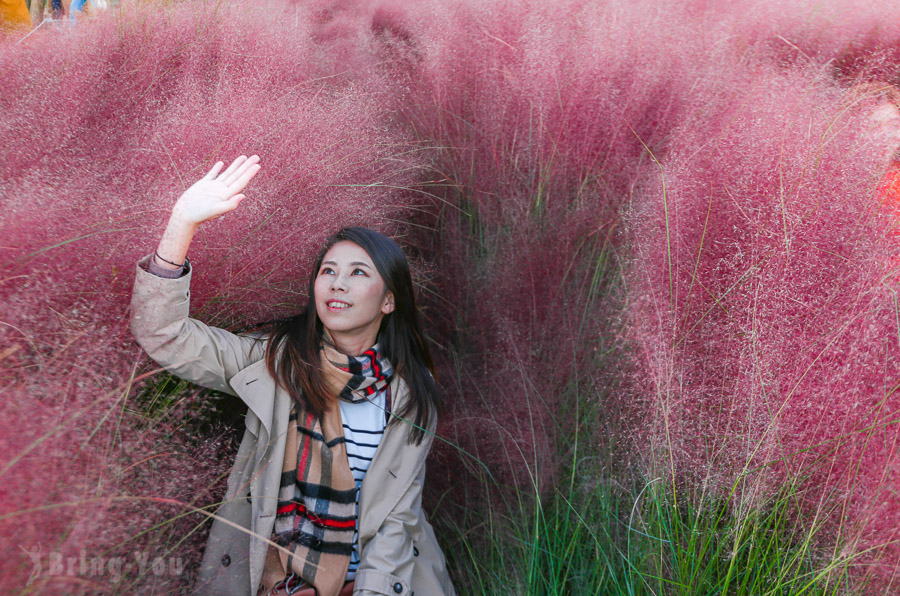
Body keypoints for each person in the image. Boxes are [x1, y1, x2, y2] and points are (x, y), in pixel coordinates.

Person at [130, 155, 456, 596]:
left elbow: (397, 520)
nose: (337, 284)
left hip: (379, 584)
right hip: (276, 585)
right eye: (328, 271)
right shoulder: (274, 364)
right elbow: (163, 334)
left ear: (389, 301)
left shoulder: (410, 396)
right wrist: (180, 225)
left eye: (358, 272)